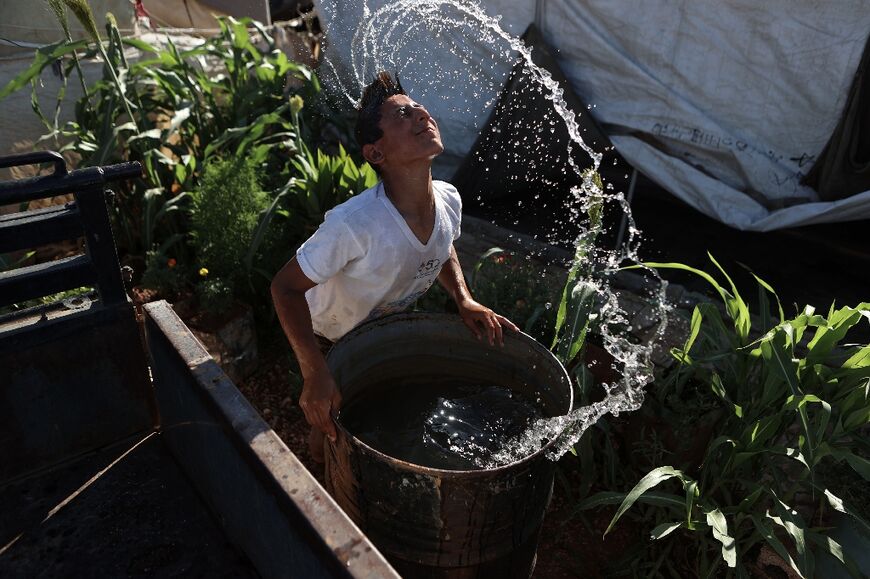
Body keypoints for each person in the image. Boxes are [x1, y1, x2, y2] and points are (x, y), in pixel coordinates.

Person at [270, 71, 518, 462]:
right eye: (402, 114)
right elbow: (284, 288)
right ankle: (318, 477)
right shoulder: (355, 224)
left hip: (383, 323)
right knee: (329, 423)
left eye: (418, 107)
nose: (421, 114)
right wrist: (314, 372)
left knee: (377, 414)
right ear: (375, 154)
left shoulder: (448, 198)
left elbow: (442, 245)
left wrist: (463, 298)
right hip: (329, 335)